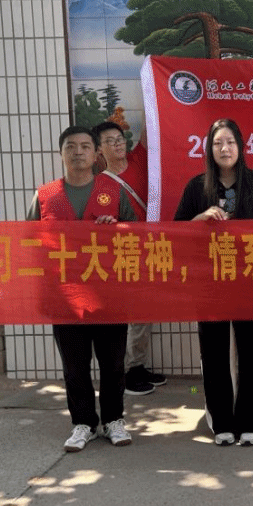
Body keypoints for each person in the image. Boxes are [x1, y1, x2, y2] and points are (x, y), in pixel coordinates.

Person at [174, 118, 253, 447]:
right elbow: (176, 233)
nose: (225, 149)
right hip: (211, 285)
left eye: (231, 142)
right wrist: (200, 219)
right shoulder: (197, 187)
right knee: (214, 354)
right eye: (218, 143)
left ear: (241, 147)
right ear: (209, 149)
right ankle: (221, 421)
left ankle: (250, 421)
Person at [28, 125, 137, 452]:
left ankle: (114, 419)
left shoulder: (114, 191)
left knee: (113, 363)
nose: (78, 152)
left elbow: (137, 237)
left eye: (85, 146)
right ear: (61, 153)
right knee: (74, 366)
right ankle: (83, 423)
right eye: (71, 147)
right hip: (64, 295)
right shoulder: (44, 195)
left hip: (109, 294)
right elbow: (29, 242)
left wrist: (116, 229)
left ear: (95, 153)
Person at [94, 120, 166, 397]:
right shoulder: (100, 184)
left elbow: (149, 130)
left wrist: (154, 91)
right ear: (99, 150)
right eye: (110, 141)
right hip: (126, 256)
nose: (118, 144)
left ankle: (137, 365)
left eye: (120, 138)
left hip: (152, 249)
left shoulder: (137, 159)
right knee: (132, 313)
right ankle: (126, 372)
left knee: (144, 313)